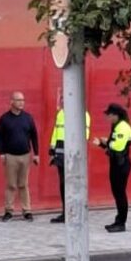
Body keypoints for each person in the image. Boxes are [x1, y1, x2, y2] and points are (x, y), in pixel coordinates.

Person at [0, 91, 40, 222]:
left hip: (25, 155)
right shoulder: (4, 119)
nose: (21, 102)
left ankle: (27, 211)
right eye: (18, 100)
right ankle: (8, 211)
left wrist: (36, 154)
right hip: (10, 156)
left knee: (23, 184)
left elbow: (34, 136)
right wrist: (1, 153)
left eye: (23, 100)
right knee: (11, 185)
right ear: (11, 102)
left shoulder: (28, 118)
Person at [48, 95, 91, 223]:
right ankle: (66, 212)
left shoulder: (83, 114)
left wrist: (78, 150)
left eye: (64, 99)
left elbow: (85, 134)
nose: (62, 102)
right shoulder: (60, 113)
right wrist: (52, 148)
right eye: (62, 100)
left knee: (74, 184)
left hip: (74, 154)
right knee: (63, 184)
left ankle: (75, 212)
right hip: (60, 154)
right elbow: (56, 131)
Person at [93, 103, 131, 233]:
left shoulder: (123, 127)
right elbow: (113, 145)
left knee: (120, 193)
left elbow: (118, 147)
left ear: (116, 115)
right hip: (116, 163)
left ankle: (121, 223)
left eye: (109, 115)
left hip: (121, 164)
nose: (107, 117)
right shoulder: (116, 126)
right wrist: (104, 143)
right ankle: (118, 220)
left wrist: (104, 143)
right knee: (117, 193)